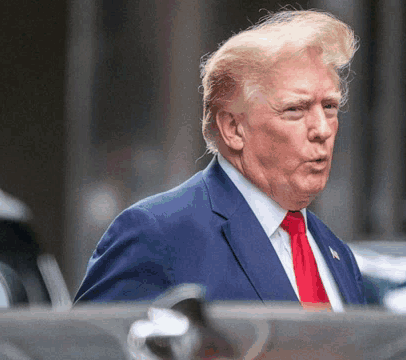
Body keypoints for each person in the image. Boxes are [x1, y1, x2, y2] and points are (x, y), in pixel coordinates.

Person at [74, 10, 365, 311]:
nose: (322, 128)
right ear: (233, 129)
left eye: (330, 106)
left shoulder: (335, 252)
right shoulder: (156, 234)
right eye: (295, 109)